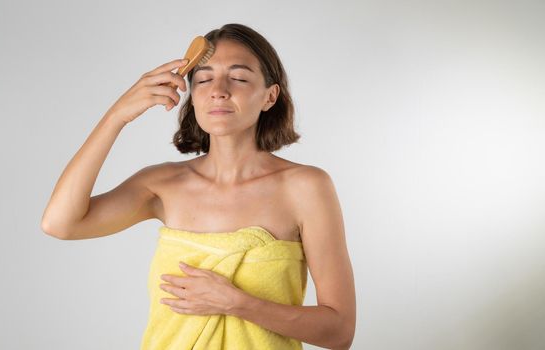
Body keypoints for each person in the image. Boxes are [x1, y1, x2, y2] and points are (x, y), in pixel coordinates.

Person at [41, 23, 356, 350]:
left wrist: (236, 303)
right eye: (203, 79)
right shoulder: (162, 184)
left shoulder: (306, 187)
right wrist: (117, 116)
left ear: (269, 97)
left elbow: (340, 330)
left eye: (239, 77)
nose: (218, 89)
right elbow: (60, 223)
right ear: (192, 97)